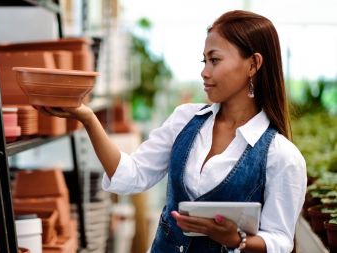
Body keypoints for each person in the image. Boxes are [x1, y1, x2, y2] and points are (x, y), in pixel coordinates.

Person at [40, 10, 307, 253]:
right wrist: (88, 118)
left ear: (253, 64)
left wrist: (237, 240)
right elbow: (130, 175)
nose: (204, 72)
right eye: (204, 60)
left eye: (214, 60)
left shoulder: (281, 155)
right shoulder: (184, 120)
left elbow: (280, 241)